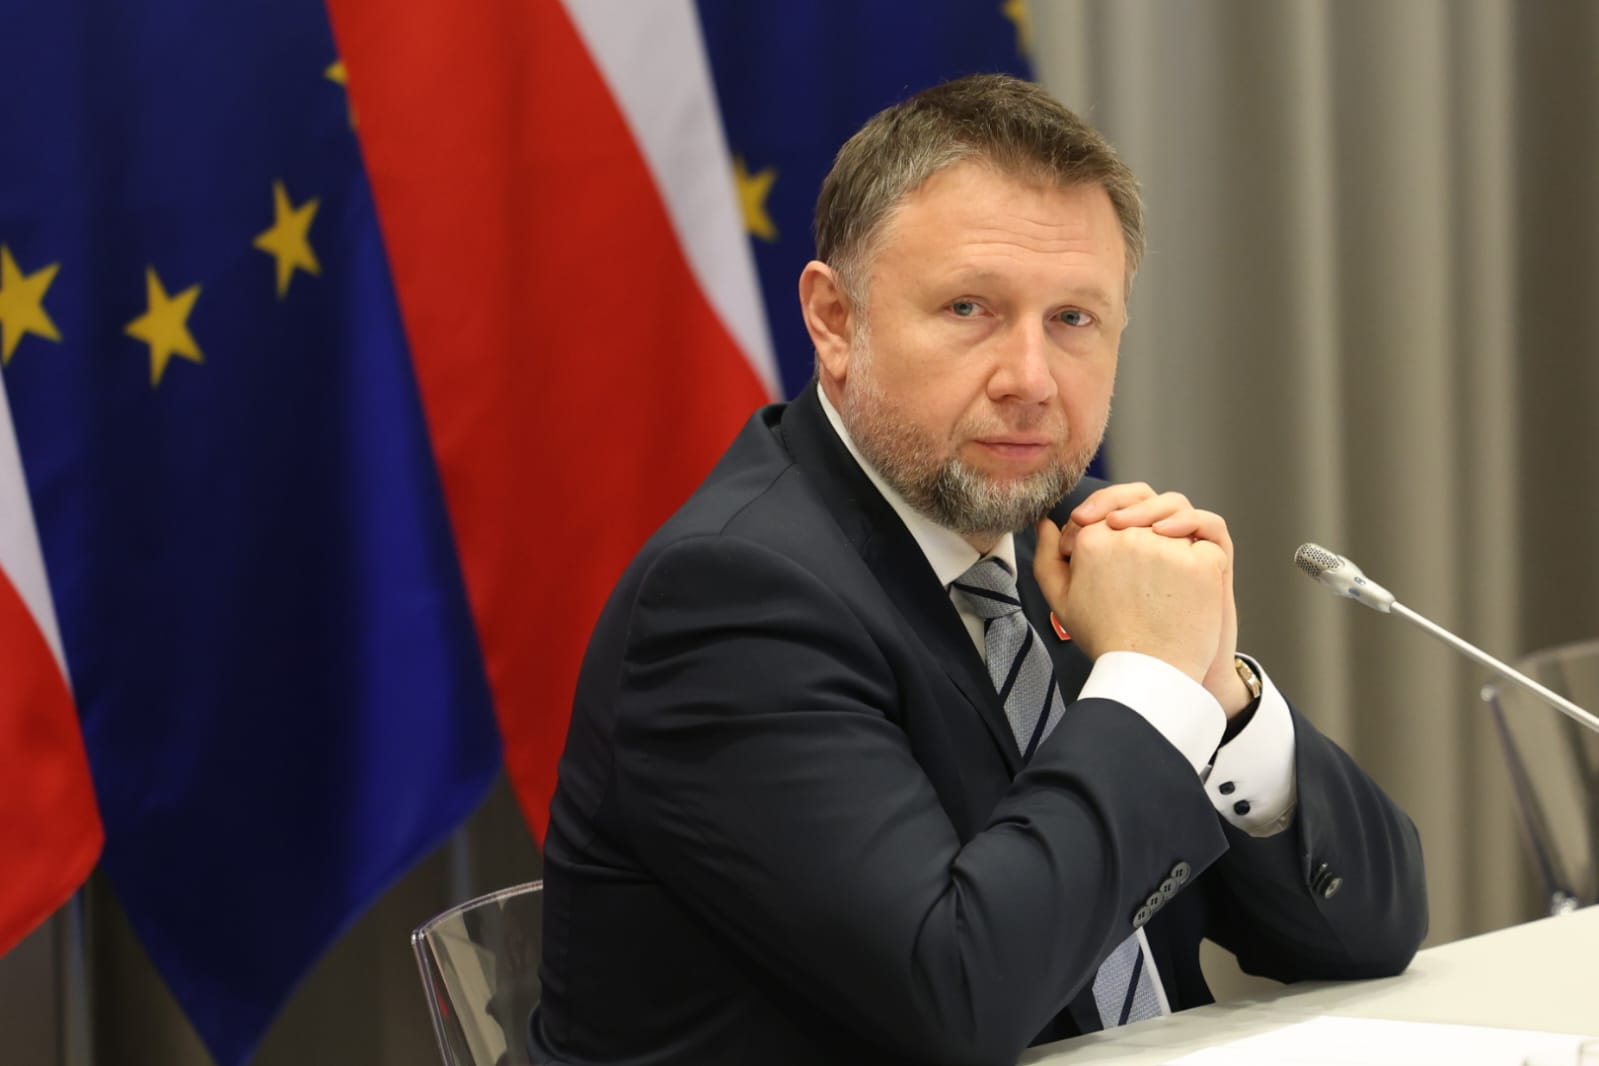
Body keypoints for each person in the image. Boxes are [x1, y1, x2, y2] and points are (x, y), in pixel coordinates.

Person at [530, 74, 1427, 1066]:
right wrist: (1150, 686)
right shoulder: (730, 599)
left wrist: (1216, 693)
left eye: (1074, 319)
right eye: (970, 308)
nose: (1031, 381)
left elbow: (1372, 930)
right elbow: (958, 995)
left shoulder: (1073, 549)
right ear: (834, 321)